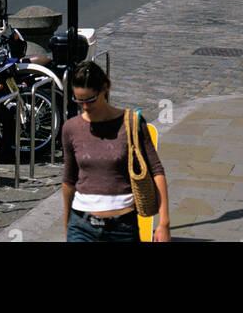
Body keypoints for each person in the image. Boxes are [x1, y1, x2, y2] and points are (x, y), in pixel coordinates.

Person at [62, 61, 170, 243]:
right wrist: (67, 225)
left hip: (122, 227)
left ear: (105, 88)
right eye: (79, 100)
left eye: (90, 100)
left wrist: (164, 222)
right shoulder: (71, 128)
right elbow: (69, 180)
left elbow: (157, 171)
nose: (85, 106)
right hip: (81, 225)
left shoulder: (132, 122)